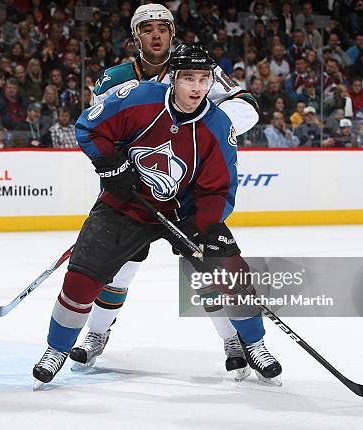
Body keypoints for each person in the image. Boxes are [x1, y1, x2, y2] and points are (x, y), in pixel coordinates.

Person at [33, 44, 282, 387]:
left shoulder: (217, 126)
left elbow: (219, 188)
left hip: (187, 213)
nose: (196, 88)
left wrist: (210, 227)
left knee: (231, 273)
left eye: (204, 80)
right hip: (127, 205)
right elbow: (89, 127)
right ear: (174, 80)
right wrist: (108, 164)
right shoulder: (138, 97)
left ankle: (253, 344)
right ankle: (57, 348)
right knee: (82, 275)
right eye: (189, 79)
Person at [72, 4, 265, 382]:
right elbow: (101, 131)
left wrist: (204, 136)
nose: (156, 34)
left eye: (163, 27)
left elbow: (247, 107)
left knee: (204, 267)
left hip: (184, 193)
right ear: (136, 36)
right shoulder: (114, 78)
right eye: (147, 28)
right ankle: (96, 333)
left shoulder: (193, 69)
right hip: (132, 193)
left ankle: (232, 339)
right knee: (117, 270)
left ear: (172, 33)